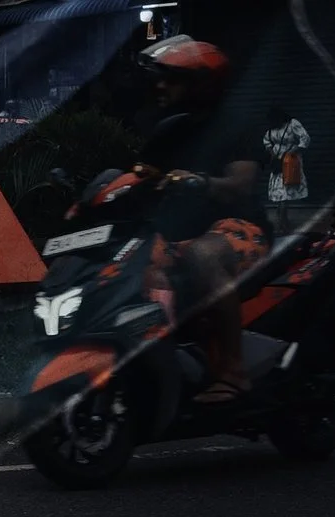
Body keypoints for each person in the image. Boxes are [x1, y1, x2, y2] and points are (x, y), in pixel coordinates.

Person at [132, 34, 267, 401]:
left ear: (201, 84)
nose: (160, 85)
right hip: (178, 234)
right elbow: (140, 176)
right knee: (130, 261)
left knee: (202, 257)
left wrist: (199, 182)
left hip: (237, 231)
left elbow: (240, 184)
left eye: (171, 78)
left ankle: (234, 371)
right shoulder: (168, 130)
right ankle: (161, 364)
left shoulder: (237, 126)